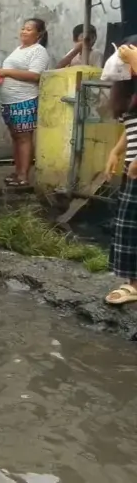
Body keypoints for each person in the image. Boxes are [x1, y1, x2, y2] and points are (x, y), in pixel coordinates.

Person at [0, 18, 51, 187]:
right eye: (23, 28)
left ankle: (24, 176)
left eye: (29, 29)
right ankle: (17, 171)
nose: (24, 31)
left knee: (24, 138)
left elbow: (35, 75)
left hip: (24, 100)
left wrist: (6, 72)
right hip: (10, 100)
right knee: (15, 137)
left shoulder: (39, 51)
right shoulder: (19, 49)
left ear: (39, 34)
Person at [104, 40, 137, 305]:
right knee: (129, 224)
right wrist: (116, 151)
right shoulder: (131, 89)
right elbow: (132, 127)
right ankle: (133, 282)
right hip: (133, 164)